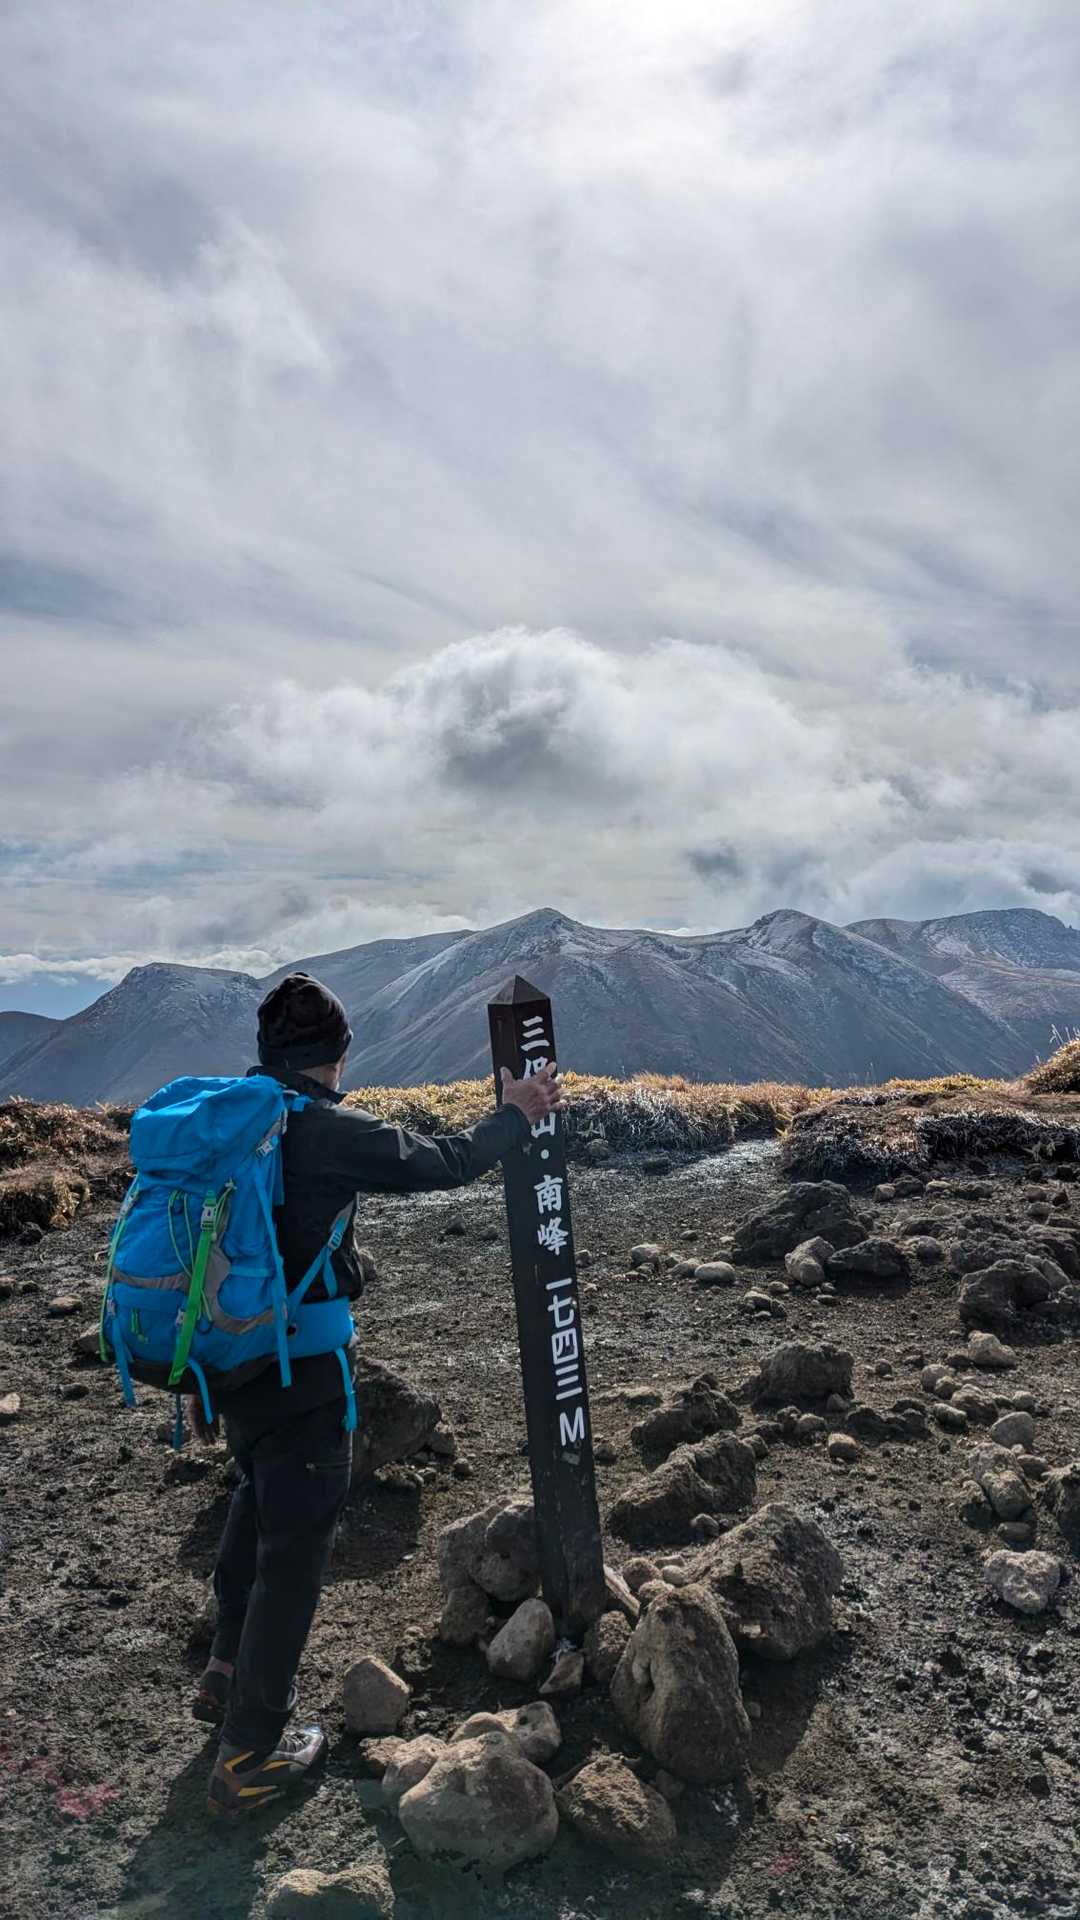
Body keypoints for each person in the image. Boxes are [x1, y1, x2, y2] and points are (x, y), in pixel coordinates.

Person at [194, 970, 562, 1818]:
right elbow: (444, 1162)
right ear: (337, 1054)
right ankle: (248, 1755)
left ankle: (223, 1674)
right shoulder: (322, 1127)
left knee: (253, 1511)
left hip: (232, 1365)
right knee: (293, 1561)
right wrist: (516, 1112)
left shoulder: (230, 1118)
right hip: (303, 1374)